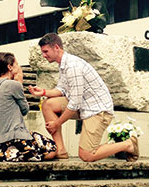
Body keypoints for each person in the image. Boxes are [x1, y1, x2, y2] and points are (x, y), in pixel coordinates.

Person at [28, 33, 139, 162]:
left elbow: (74, 103)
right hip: (84, 105)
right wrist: (43, 92)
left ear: (56, 47)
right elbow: (62, 90)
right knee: (48, 104)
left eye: (46, 51)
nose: (44, 55)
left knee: (86, 155)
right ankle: (61, 150)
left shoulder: (72, 66)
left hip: (98, 111)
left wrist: (57, 123)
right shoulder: (64, 64)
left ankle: (128, 144)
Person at [0, 52, 57, 162]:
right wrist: (20, 83)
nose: (19, 67)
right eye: (17, 64)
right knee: (53, 149)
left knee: (35, 137)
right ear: (10, 67)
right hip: (15, 139)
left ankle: (15, 154)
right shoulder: (13, 85)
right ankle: (27, 155)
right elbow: (25, 110)